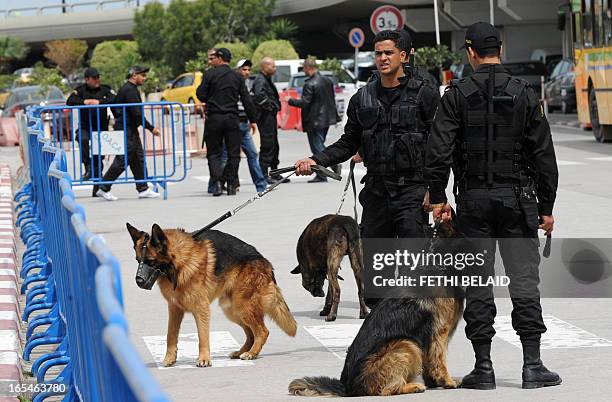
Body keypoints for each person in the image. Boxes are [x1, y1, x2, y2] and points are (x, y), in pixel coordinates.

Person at [424, 22, 561, 390]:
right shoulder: (525, 93)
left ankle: (483, 368)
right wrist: (546, 208)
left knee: (477, 283)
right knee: (524, 282)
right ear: (501, 48)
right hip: (517, 202)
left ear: (470, 52)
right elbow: (544, 157)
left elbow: (438, 152)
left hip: (473, 205)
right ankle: (532, 365)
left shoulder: (455, 95)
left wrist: (438, 197)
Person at [196, 48, 258, 196]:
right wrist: (253, 120)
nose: (213, 60)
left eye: (215, 57)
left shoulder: (210, 74)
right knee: (233, 153)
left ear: (220, 58)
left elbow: (201, 95)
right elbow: (246, 99)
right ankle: (231, 185)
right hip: (232, 119)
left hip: (214, 119)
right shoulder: (237, 77)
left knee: (214, 153)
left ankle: (217, 184)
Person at [96, 65, 161, 201]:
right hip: (127, 129)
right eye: (142, 75)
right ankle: (103, 187)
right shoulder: (130, 91)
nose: (145, 78)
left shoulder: (128, 89)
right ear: (134, 75)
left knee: (137, 158)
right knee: (122, 159)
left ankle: (143, 188)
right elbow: (137, 113)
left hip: (128, 128)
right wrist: (151, 128)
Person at [288, 58, 341, 183]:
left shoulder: (310, 84)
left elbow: (304, 103)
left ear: (308, 67)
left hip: (315, 120)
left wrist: (290, 100)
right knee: (320, 145)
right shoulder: (327, 80)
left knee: (317, 148)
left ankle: (322, 174)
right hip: (327, 118)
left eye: (304, 69)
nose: (304, 71)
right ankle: (333, 165)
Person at [66, 67, 115, 196]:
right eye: (94, 78)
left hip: (101, 127)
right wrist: (84, 102)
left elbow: (114, 99)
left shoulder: (105, 89)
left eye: (98, 77)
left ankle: (97, 186)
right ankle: (87, 166)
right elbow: (70, 101)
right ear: (87, 79)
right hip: (85, 126)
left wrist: (99, 102)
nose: (97, 80)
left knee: (98, 156)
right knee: (82, 139)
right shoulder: (81, 90)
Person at [252, 57, 285, 183]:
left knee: (274, 144)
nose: (274, 68)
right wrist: (271, 106)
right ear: (264, 67)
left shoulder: (266, 79)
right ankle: (264, 175)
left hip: (270, 117)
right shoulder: (260, 80)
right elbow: (259, 95)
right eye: (272, 66)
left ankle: (275, 172)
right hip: (265, 117)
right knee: (267, 144)